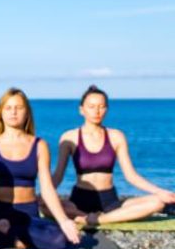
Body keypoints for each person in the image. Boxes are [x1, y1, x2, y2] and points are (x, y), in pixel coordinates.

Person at [0, 88, 80, 249]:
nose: (13, 112)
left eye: (19, 108)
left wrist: (64, 220)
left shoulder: (39, 145)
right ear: (1, 112)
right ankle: (5, 230)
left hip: (29, 213)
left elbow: (47, 189)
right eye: (8, 108)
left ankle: (9, 236)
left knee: (60, 239)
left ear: (27, 112)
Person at [52, 85, 174, 226]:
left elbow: (131, 176)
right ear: (82, 110)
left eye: (102, 106)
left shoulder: (116, 136)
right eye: (91, 106)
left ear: (106, 109)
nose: (97, 111)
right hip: (79, 201)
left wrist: (160, 191)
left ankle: (98, 219)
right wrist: (43, 195)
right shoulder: (69, 137)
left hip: (109, 200)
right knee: (44, 205)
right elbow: (58, 176)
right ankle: (87, 216)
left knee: (157, 203)